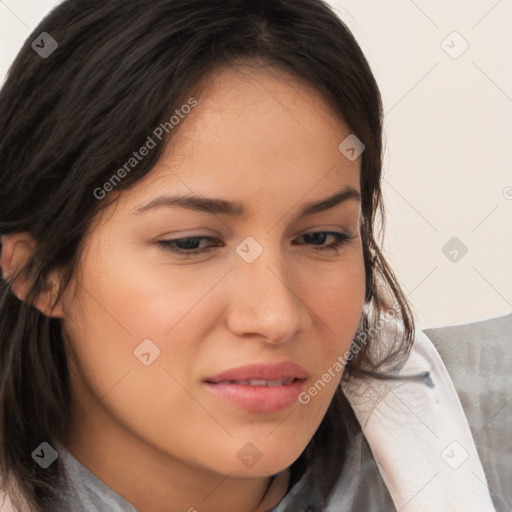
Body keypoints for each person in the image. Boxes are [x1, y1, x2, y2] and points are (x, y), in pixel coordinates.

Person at [0, 0, 497, 511]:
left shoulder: (488, 435)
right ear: (39, 273)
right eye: (191, 243)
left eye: (322, 237)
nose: (276, 317)